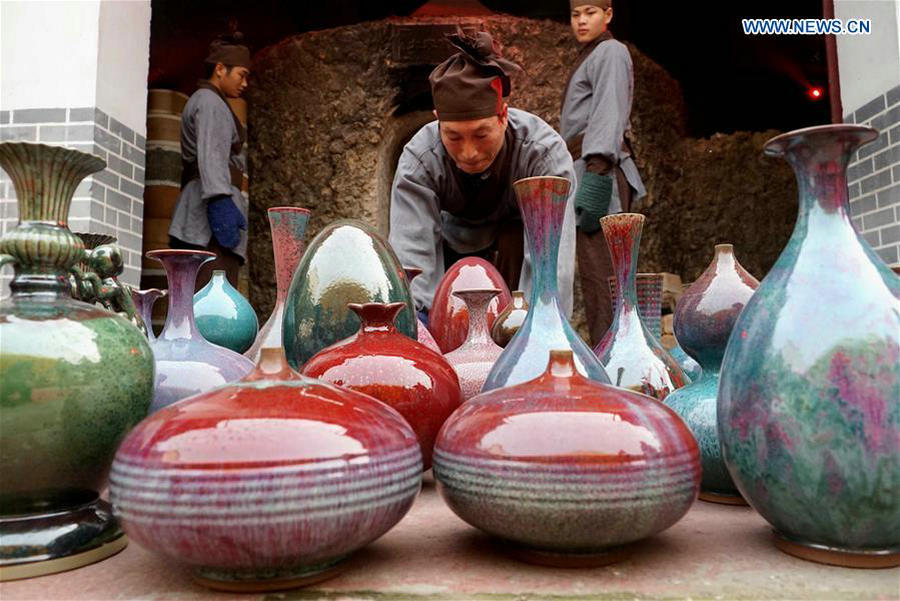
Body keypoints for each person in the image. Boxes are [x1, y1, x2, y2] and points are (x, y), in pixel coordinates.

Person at [389, 29, 577, 320]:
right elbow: (411, 261)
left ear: (503, 116)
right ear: (438, 122)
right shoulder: (420, 159)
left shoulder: (543, 154)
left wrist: (535, 325)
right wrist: (423, 328)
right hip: (453, 250)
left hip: (515, 250)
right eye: (453, 137)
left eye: (481, 135)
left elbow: (553, 264)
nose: (469, 153)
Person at [561, 0, 646, 345]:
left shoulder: (611, 51)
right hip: (586, 168)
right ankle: (608, 357)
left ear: (608, 15)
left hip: (601, 171)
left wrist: (596, 174)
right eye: (575, 15)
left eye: (590, 13)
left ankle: (614, 362)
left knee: (606, 278)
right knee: (597, 280)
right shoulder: (590, 55)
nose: (581, 21)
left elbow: (609, 112)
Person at [169, 31, 251, 289]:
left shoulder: (213, 102)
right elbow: (211, 156)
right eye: (241, 74)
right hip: (207, 223)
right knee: (212, 301)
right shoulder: (209, 102)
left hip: (208, 212)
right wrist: (220, 202)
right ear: (220, 69)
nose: (245, 83)